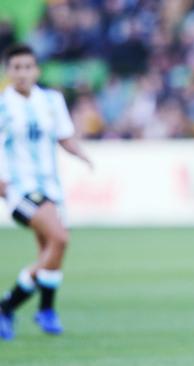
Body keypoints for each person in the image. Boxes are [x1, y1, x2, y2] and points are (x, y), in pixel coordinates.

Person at [0, 44, 92, 340]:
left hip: (51, 188)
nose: (23, 73)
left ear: (36, 70)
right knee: (60, 238)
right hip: (19, 188)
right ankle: (18, 306)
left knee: (51, 251)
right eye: (17, 68)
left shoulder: (52, 100)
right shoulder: (2, 105)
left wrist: (81, 154)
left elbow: (64, 137)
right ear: (8, 71)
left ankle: (33, 309)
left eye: (28, 67)